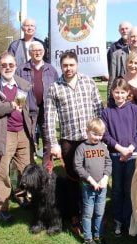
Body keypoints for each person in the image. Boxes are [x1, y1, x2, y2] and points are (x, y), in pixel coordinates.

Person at [44, 51, 104, 232]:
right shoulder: (55, 87)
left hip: (90, 139)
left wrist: (101, 135)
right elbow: (49, 118)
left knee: (93, 177)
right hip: (69, 140)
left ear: (77, 65)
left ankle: (94, 214)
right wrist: (54, 144)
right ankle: (74, 215)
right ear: (61, 66)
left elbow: (99, 108)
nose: (68, 68)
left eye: (71, 65)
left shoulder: (89, 82)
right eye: (65, 65)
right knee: (72, 179)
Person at [0, 52, 36, 223]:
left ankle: (21, 196)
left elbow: (28, 109)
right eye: (4, 65)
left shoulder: (23, 84)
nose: (8, 68)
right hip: (4, 134)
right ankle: (2, 207)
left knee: (25, 170)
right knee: (3, 172)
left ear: (15, 66)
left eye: (11, 65)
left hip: (23, 133)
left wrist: (31, 129)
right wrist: (8, 106)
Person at [101, 78, 137, 236]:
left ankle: (128, 220)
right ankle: (118, 220)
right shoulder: (106, 112)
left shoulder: (134, 109)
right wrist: (120, 149)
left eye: (122, 92)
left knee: (129, 188)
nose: (119, 95)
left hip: (133, 155)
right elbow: (105, 135)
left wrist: (131, 148)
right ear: (112, 93)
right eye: (116, 92)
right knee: (117, 189)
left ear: (128, 93)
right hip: (116, 155)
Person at [18, 41, 59, 169]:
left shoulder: (50, 69)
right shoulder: (21, 69)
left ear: (44, 52)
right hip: (29, 110)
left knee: (48, 140)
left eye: (40, 50)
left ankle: (46, 171)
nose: (37, 53)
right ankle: (30, 169)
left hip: (47, 111)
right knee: (28, 140)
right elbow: (18, 90)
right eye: (34, 51)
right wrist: (19, 108)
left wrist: (57, 109)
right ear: (30, 53)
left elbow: (57, 89)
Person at [73, 118, 112, 244]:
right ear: (87, 132)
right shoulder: (81, 148)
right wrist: (90, 180)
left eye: (100, 135)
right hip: (88, 187)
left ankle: (98, 235)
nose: (97, 137)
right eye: (94, 134)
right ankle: (88, 238)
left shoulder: (103, 147)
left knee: (100, 212)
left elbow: (108, 163)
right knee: (88, 213)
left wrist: (105, 177)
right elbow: (78, 166)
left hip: (102, 187)